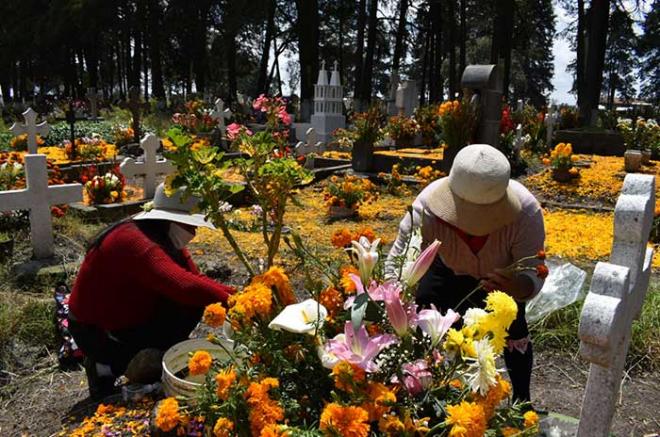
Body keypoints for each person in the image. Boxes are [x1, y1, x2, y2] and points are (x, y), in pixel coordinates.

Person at [388, 144, 546, 403]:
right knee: (421, 324)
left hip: (503, 281)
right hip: (444, 269)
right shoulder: (426, 210)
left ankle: (521, 402)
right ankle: (425, 394)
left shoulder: (526, 213)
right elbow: (397, 265)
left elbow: (534, 272)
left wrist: (517, 287)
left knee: (514, 329)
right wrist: (396, 304)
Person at [68, 183, 234, 399]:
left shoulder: (158, 234)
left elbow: (194, 277)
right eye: (189, 226)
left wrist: (237, 293)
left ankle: (151, 355)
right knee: (187, 302)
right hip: (96, 331)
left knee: (190, 305)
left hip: (124, 312)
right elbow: (184, 285)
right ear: (168, 219)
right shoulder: (135, 242)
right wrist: (238, 301)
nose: (193, 233)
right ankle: (107, 365)